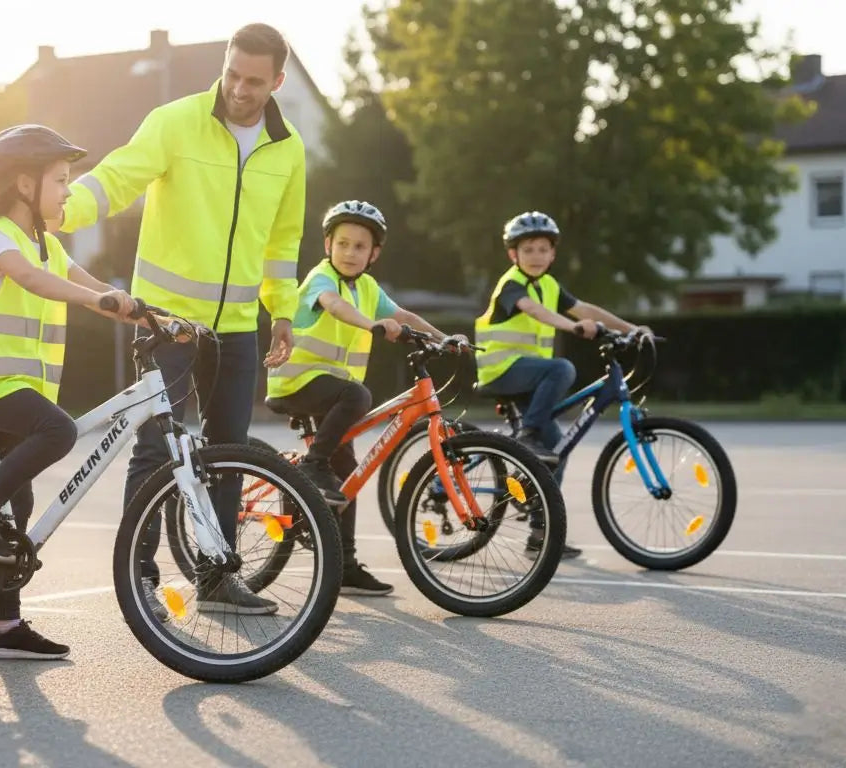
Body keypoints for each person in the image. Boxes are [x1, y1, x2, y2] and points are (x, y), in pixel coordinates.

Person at [60, 23, 305, 615]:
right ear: (224, 64)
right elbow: (120, 178)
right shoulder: (176, 120)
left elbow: (283, 238)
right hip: (166, 322)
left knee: (228, 451)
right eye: (232, 74)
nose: (239, 90)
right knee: (152, 448)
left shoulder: (288, 147)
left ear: (277, 80)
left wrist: (284, 311)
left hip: (238, 327)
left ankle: (216, 578)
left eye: (254, 81)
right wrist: (58, 210)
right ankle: (137, 573)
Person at [0, 124, 136, 659]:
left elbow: (87, 283)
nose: (69, 190)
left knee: (18, 502)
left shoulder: (44, 242)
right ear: (26, 184)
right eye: (62, 180)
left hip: (11, 385)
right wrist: (104, 305)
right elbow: (35, 282)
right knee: (59, 429)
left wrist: (140, 309)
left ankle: (4, 630)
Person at [267, 200, 468, 595]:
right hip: (298, 383)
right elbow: (334, 306)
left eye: (360, 246)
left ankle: (345, 566)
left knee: (349, 477)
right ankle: (313, 464)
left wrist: (445, 339)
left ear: (373, 254)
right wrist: (372, 323)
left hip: (331, 392)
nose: (349, 252)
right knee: (359, 395)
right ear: (328, 245)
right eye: (342, 243)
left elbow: (406, 316)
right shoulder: (322, 278)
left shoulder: (369, 288)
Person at [474, 210, 652, 559]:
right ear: (514, 255)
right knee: (563, 369)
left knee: (557, 449)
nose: (536, 256)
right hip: (502, 371)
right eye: (528, 250)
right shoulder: (513, 284)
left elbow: (586, 308)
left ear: (553, 254)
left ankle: (540, 533)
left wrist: (631, 329)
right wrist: (573, 328)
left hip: (528, 378)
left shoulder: (550, 286)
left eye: (543, 249)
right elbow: (535, 312)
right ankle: (528, 434)